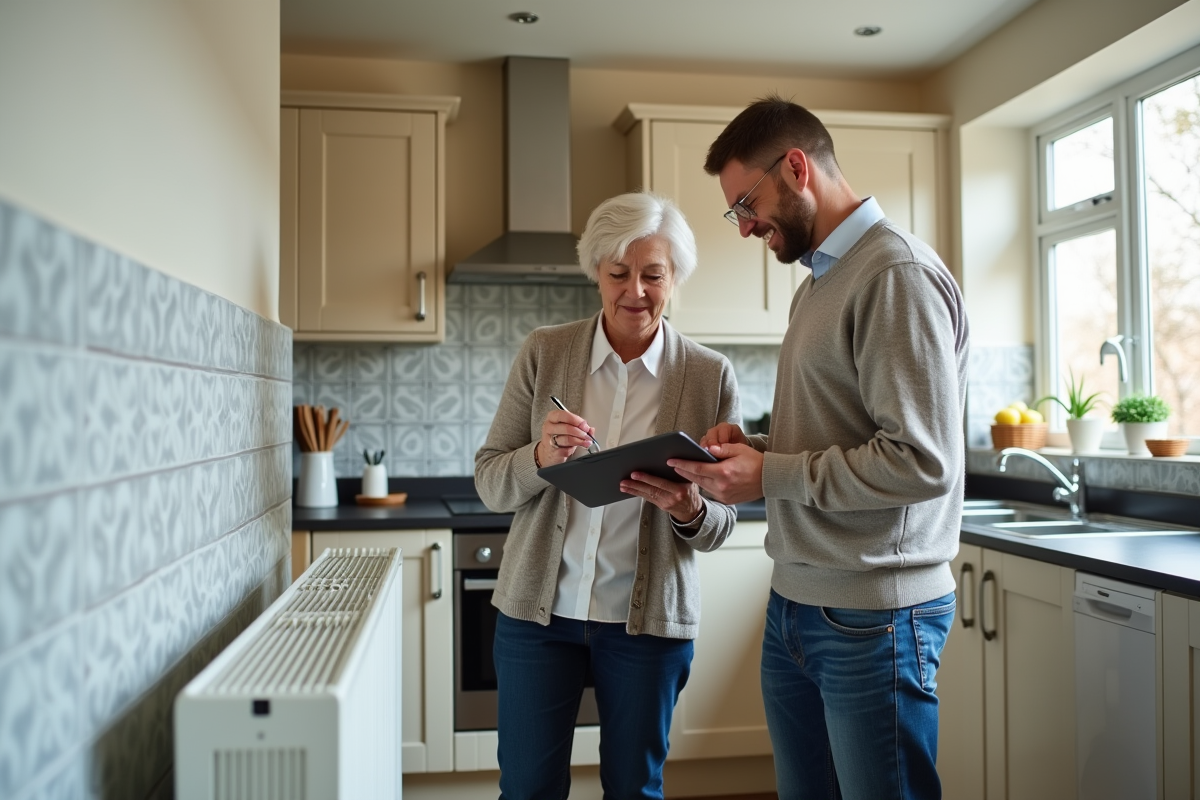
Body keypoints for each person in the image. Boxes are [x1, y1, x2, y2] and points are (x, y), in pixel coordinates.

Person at [669, 95, 970, 800]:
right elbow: (842, 432)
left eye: (746, 204)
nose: (744, 228)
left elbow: (921, 461)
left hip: (874, 613)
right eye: (735, 213)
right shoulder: (820, 282)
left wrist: (769, 473)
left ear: (797, 168)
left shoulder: (893, 274)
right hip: (800, 603)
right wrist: (755, 449)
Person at [474, 191, 742, 800]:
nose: (635, 292)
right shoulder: (545, 352)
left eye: (654, 274)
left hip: (646, 628)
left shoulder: (708, 375)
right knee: (527, 789)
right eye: (619, 273)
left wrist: (689, 508)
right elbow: (491, 480)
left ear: (675, 278)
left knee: (634, 789)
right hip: (537, 622)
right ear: (597, 271)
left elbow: (724, 521)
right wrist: (541, 458)